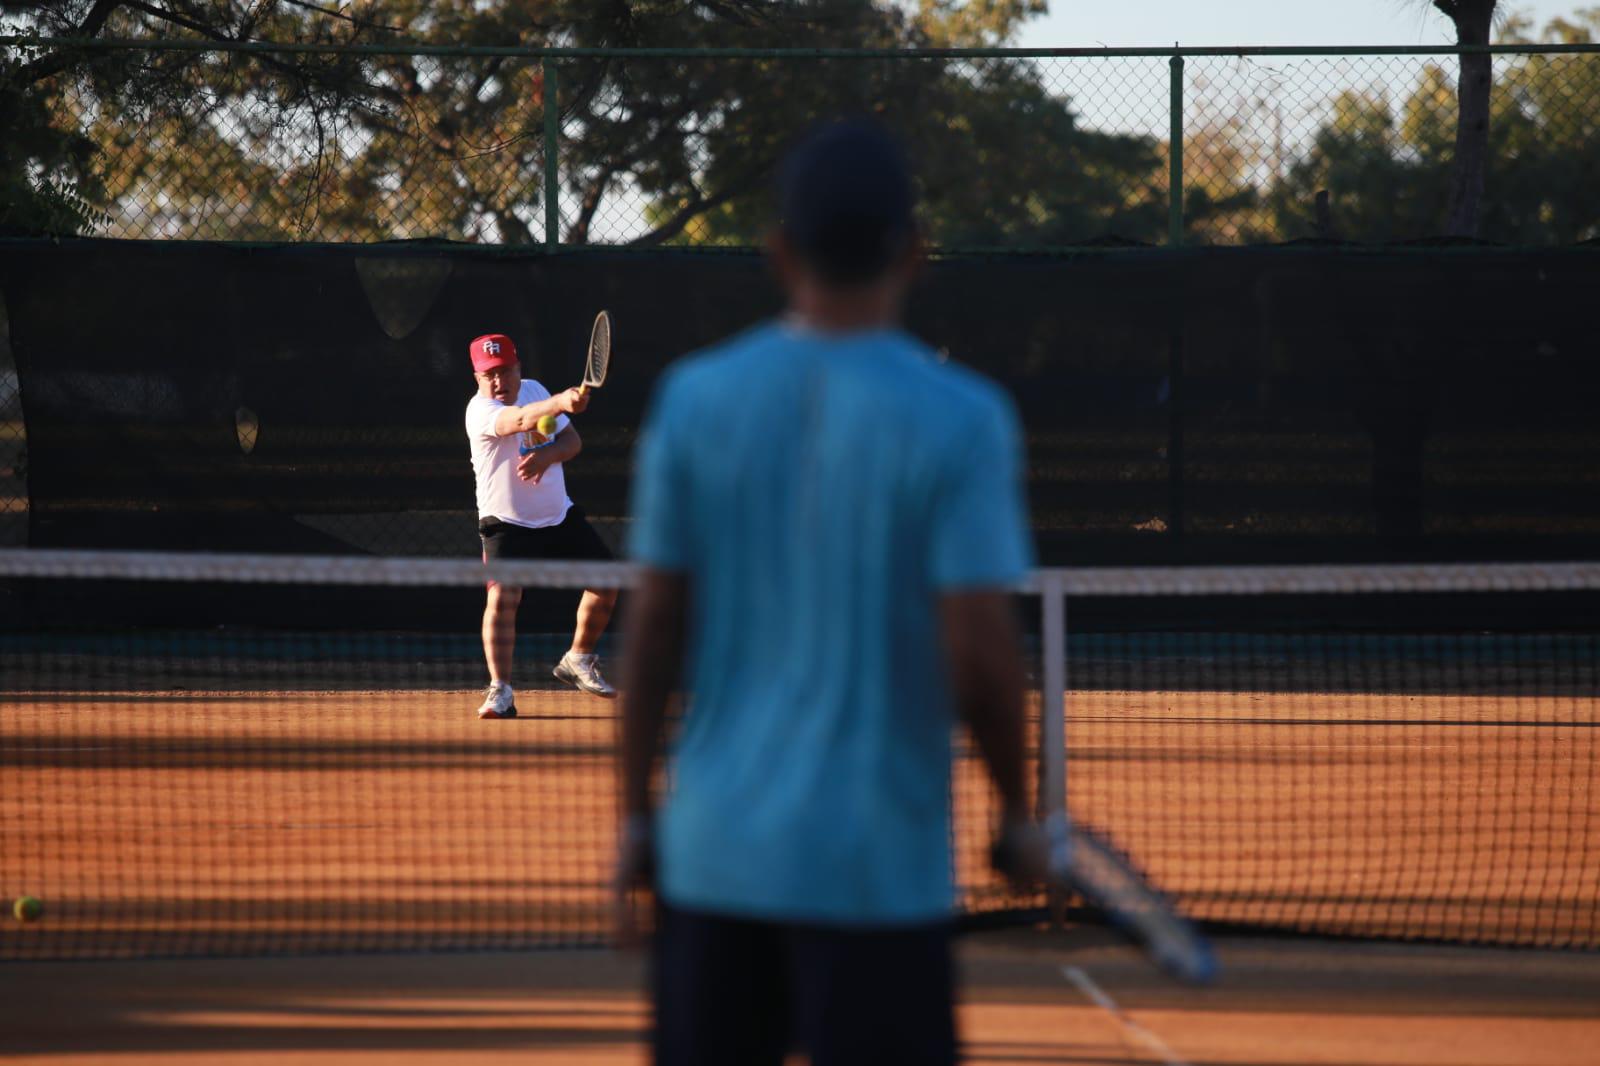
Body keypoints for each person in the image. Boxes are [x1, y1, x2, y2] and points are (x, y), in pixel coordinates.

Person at [616, 120, 1046, 1065]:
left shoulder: (692, 398)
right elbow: (978, 650)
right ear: (914, 251)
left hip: (713, 857)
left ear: (778, 251)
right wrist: (1018, 815)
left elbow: (652, 636)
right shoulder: (965, 416)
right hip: (878, 877)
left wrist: (636, 820)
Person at [465, 332, 618, 718]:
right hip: (505, 523)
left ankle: (578, 659)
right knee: (502, 600)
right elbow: (518, 420)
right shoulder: (479, 410)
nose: (498, 382)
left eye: (505, 371)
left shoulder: (534, 390)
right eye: (489, 375)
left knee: (607, 581)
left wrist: (547, 455)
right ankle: (500, 690)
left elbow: (572, 443)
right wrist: (562, 401)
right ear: (477, 378)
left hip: (557, 515)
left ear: (519, 368)